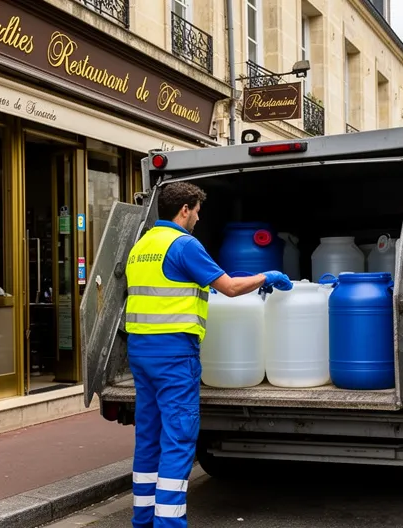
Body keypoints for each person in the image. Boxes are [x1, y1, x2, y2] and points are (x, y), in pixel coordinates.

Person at [124, 181, 292, 527]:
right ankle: (169, 523)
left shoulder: (142, 245)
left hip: (141, 351)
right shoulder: (183, 244)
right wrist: (267, 276)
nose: (199, 219)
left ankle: (142, 520)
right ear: (184, 209)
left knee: (149, 437)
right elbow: (229, 288)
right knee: (178, 437)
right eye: (197, 212)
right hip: (173, 354)